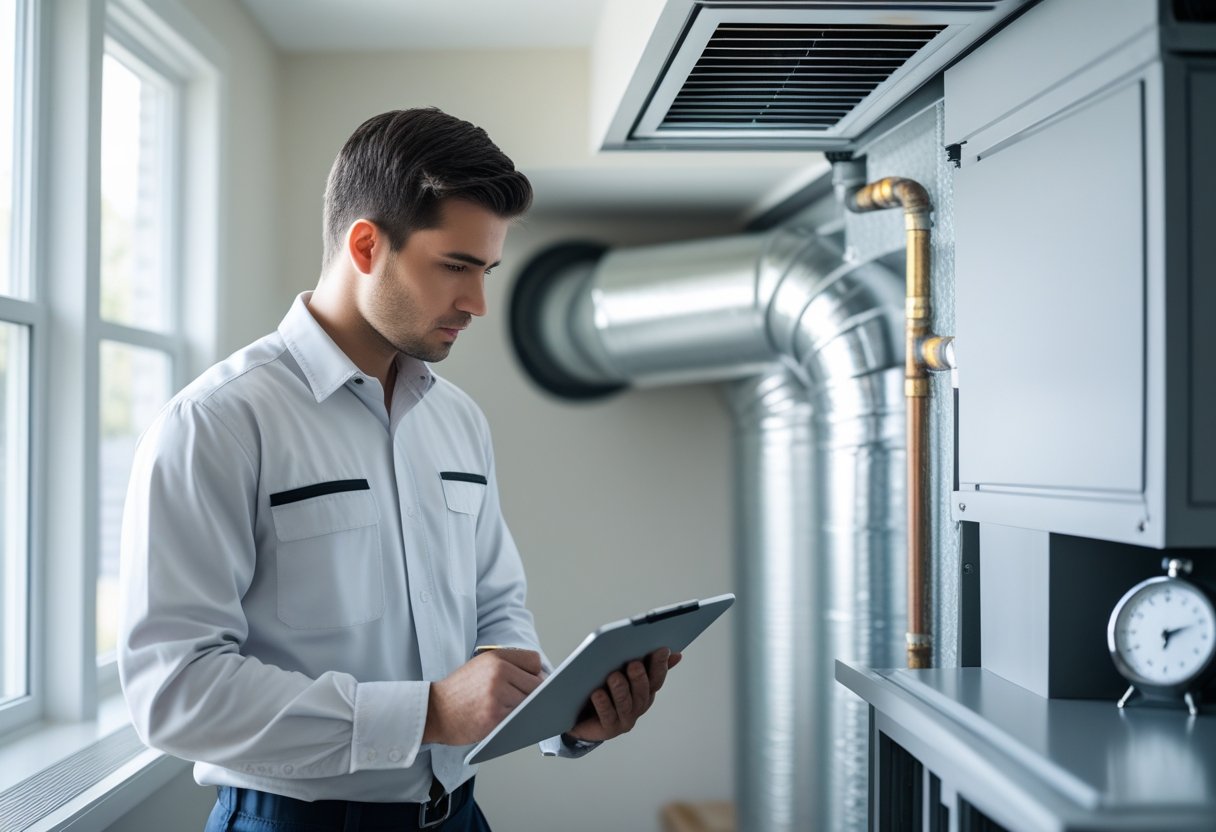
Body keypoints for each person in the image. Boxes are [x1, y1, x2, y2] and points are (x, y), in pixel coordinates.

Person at [118, 108, 680, 832]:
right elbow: (175, 692)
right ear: (365, 245)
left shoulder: (459, 421)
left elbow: (496, 608)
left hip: (459, 817)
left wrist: (564, 717)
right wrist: (431, 712)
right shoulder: (218, 424)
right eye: (455, 266)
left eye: (486, 271)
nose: (477, 304)